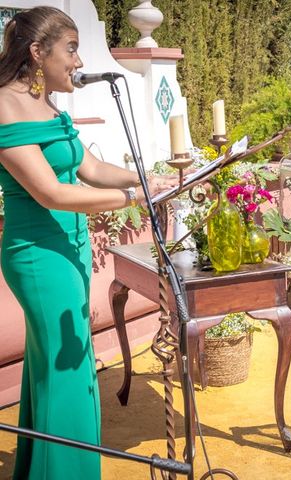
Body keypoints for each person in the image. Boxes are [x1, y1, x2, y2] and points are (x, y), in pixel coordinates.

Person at [0, 7, 178, 479]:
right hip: (39, 254)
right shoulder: (3, 104)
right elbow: (51, 192)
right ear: (37, 53)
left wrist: (151, 179)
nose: (78, 62)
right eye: (71, 49)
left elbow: (89, 169)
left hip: (71, 247)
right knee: (70, 373)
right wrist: (130, 197)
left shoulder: (49, 106)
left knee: (52, 368)